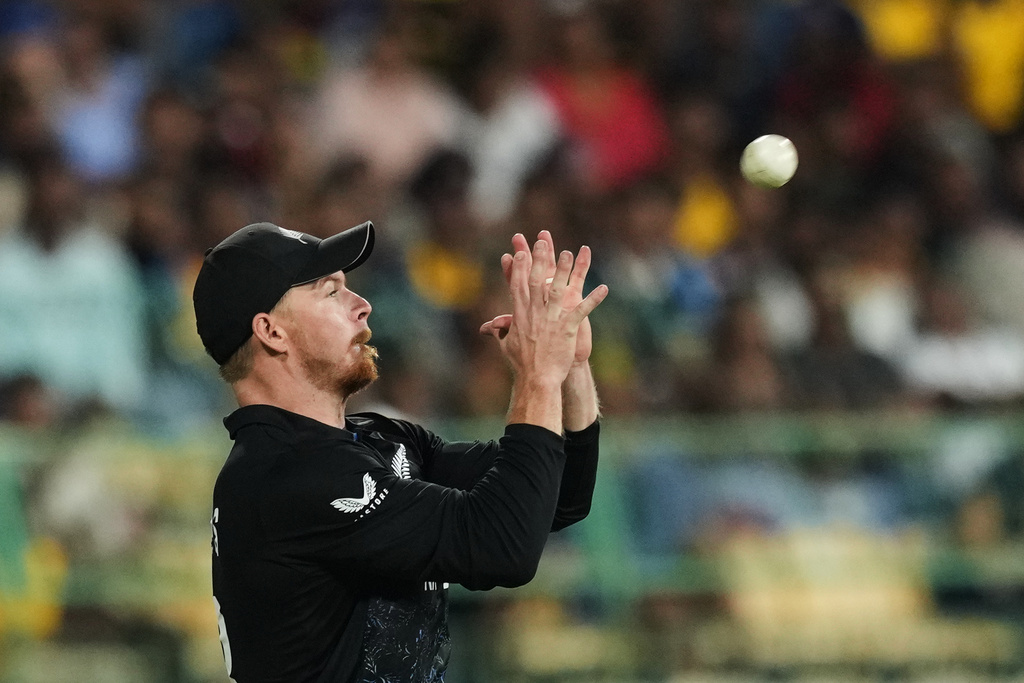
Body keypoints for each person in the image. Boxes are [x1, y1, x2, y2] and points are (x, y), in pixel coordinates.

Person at [191, 220, 608, 682]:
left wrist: (570, 367)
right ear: (271, 331)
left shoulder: (375, 438)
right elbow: (502, 547)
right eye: (331, 293)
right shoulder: (282, 476)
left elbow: (559, 494)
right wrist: (538, 375)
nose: (363, 306)